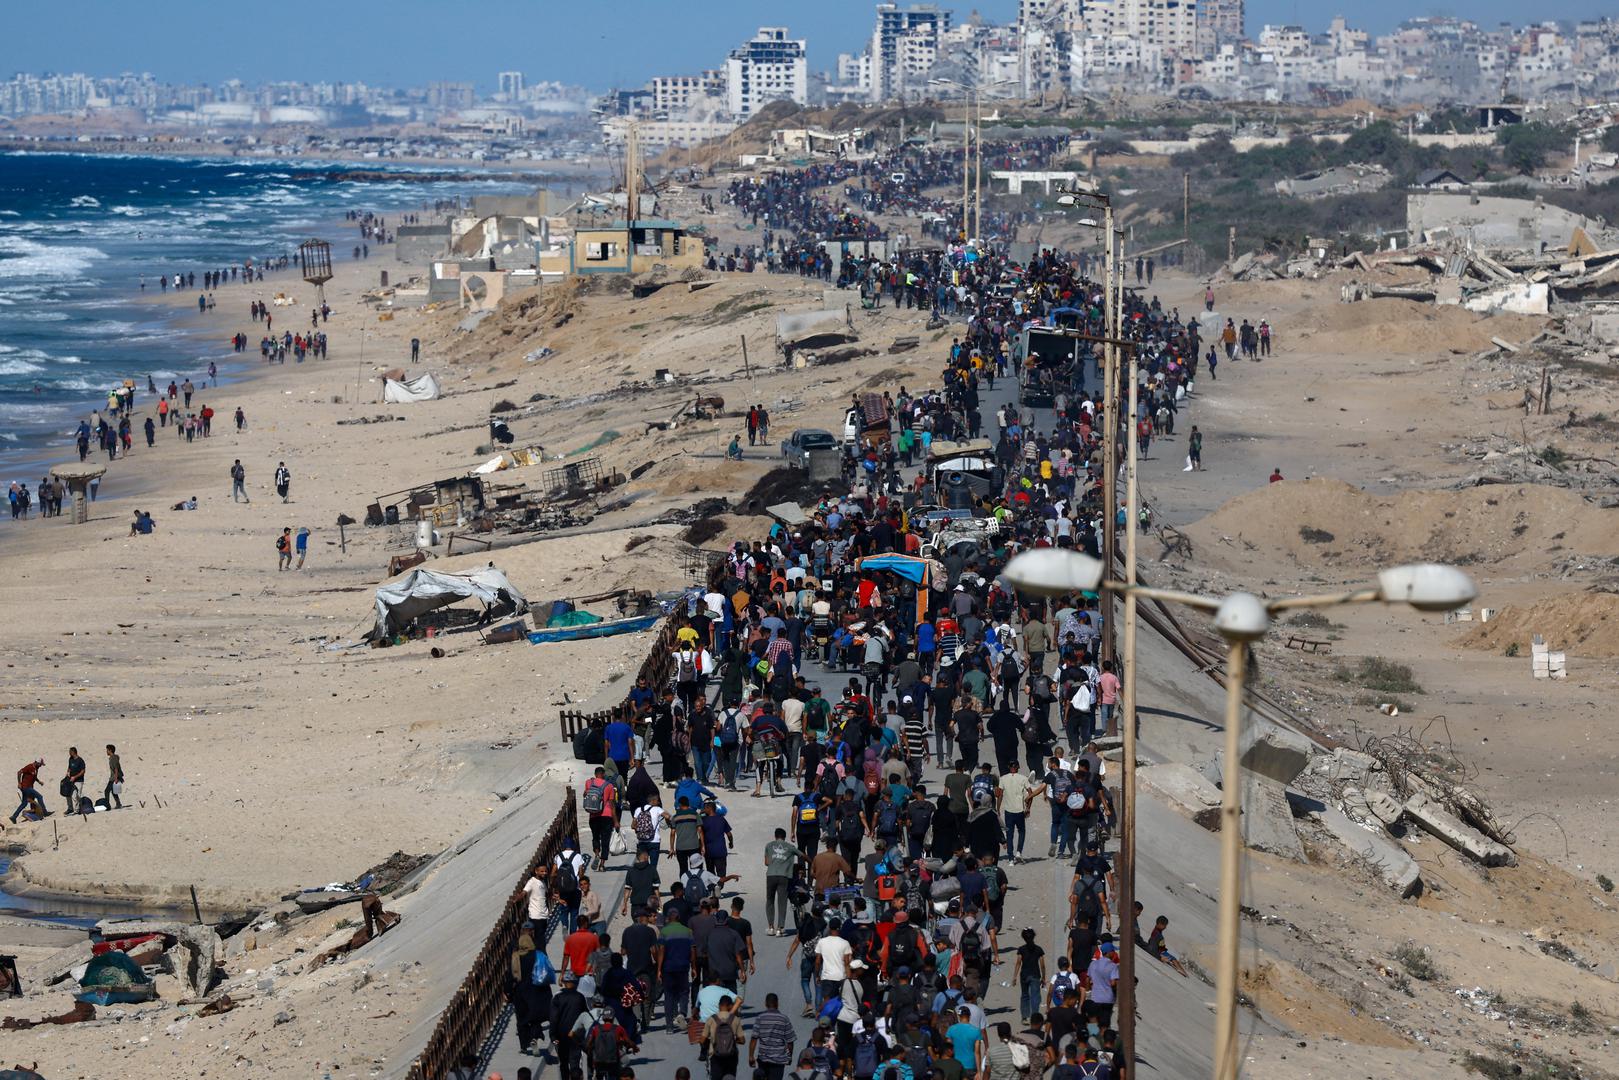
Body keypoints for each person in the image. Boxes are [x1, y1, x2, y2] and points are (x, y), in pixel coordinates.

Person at [582, 766, 619, 871]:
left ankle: (597, 854)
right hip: (606, 816)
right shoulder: (609, 786)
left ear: (595, 774)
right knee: (605, 840)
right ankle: (602, 864)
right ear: (603, 774)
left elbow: (585, 795)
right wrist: (616, 821)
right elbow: (612, 805)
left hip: (593, 815)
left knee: (595, 837)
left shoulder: (588, 783)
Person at [703, 993, 746, 1080]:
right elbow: (742, 1040)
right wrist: (733, 1040)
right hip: (731, 1056)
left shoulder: (711, 1019)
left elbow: (702, 1040)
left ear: (719, 1006)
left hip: (715, 1056)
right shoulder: (735, 1019)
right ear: (730, 1006)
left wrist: (711, 1042)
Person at [12, 758, 46, 823]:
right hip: (26, 787)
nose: (41, 766)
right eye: (40, 764)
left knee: (24, 803)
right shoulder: (29, 766)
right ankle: (45, 812)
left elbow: (34, 776)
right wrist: (19, 783)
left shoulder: (36, 768)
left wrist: (39, 781)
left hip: (29, 787)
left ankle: (14, 816)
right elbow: (19, 772)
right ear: (37, 763)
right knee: (39, 796)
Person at [104, 744, 124, 809]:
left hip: (114, 777)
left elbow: (116, 768)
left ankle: (107, 805)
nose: (106, 751)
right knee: (113, 791)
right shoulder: (113, 758)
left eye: (107, 750)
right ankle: (118, 804)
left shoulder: (113, 758)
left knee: (106, 791)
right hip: (114, 777)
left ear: (110, 750)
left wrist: (115, 779)